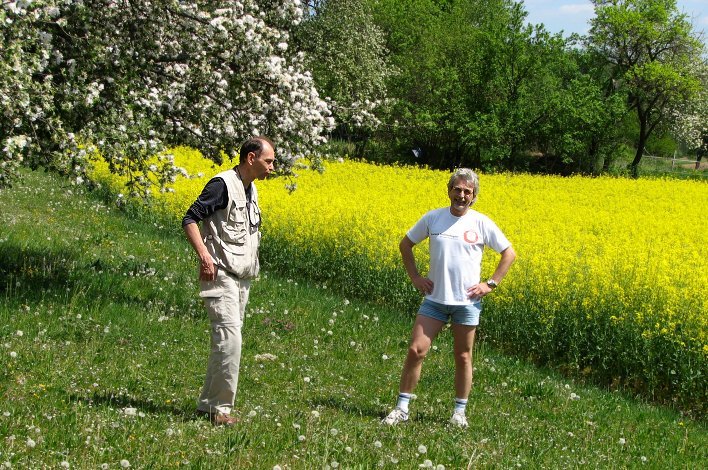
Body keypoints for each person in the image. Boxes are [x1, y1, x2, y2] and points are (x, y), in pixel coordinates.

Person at [382, 168, 516, 428]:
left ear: (474, 196)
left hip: (467, 303)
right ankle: (402, 408)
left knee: (463, 356)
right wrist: (415, 277)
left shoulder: (481, 222)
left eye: (468, 191)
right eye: (458, 189)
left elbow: (508, 253)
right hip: (435, 300)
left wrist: (490, 284)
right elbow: (405, 244)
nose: (462, 195)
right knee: (415, 350)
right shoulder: (433, 218)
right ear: (449, 191)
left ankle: (459, 413)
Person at [182, 136, 275, 426]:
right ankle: (221, 410)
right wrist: (204, 257)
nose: (272, 167)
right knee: (230, 341)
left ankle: (207, 406)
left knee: (226, 342)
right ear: (251, 158)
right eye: (268, 160)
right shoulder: (222, 185)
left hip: (241, 278)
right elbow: (190, 218)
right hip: (219, 273)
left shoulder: (252, 190)